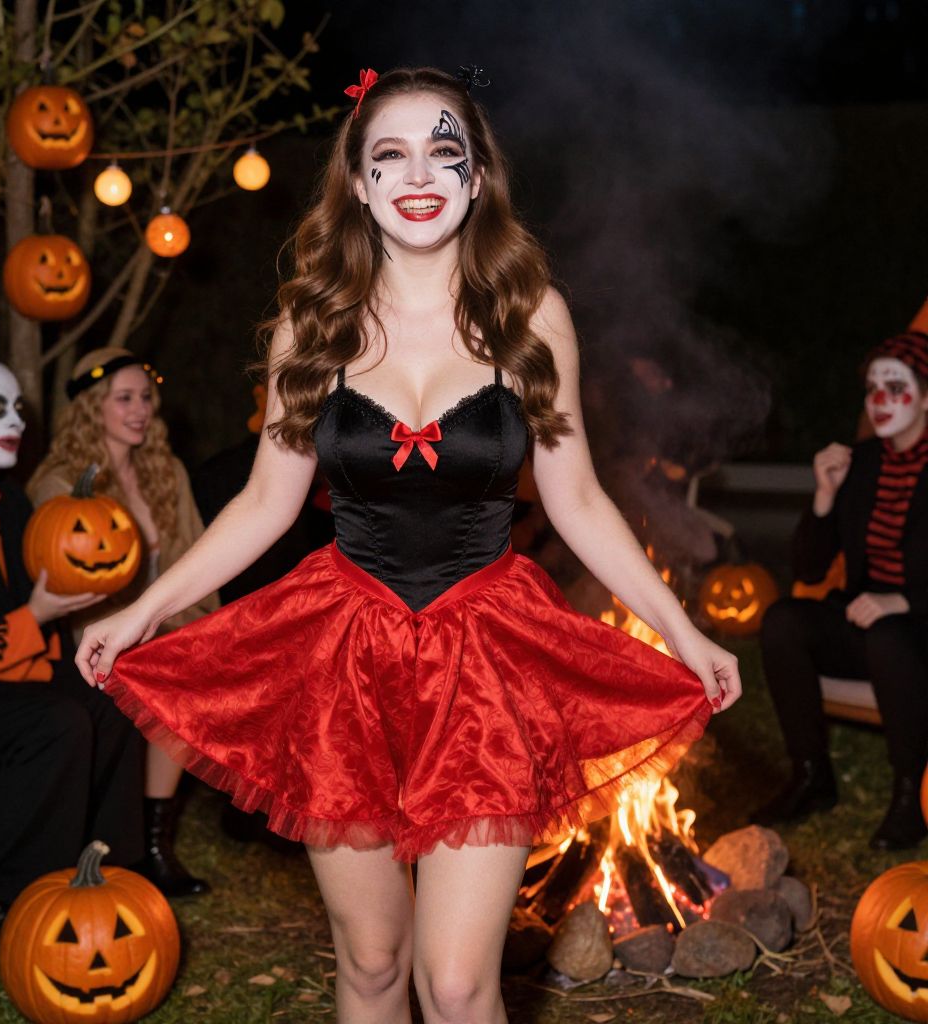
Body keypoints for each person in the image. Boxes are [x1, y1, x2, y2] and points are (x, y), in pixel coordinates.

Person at [75, 68, 740, 1023]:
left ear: (478, 177)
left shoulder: (530, 317)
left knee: (459, 984)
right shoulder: (312, 324)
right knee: (373, 961)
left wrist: (682, 630)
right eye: (390, 154)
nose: (419, 174)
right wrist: (141, 610)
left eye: (444, 150)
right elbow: (264, 503)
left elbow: (581, 499)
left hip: (485, 661)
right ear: (358, 182)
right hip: (345, 661)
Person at [0, 358, 144, 958]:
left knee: (113, 692)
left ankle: (104, 870)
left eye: (16, 408)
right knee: (52, 723)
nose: (14, 421)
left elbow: (29, 632)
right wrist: (36, 616)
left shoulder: (11, 505)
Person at [27, 347, 218, 897]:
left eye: (146, 398)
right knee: (166, 676)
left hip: (165, 623)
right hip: (95, 633)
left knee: (196, 666)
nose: (140, 410)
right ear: (92, 406)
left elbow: (195, 559)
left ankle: (155, 840)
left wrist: (201, 630)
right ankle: (136, 843)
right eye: (124, 398)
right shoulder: (59, 483)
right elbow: (71, 584)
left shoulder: (166, 471)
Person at [756, 329, 928, 851]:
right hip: (867, 622)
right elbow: (809, 569)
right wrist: (826, 496)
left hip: (918, 629)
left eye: (894, 387)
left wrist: (905, 602)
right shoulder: (863, 463)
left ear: (926, 398)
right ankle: (811, 775)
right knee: (784, 620)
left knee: (889, 635)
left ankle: (912, 794)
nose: (879, 400)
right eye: (872, 388)